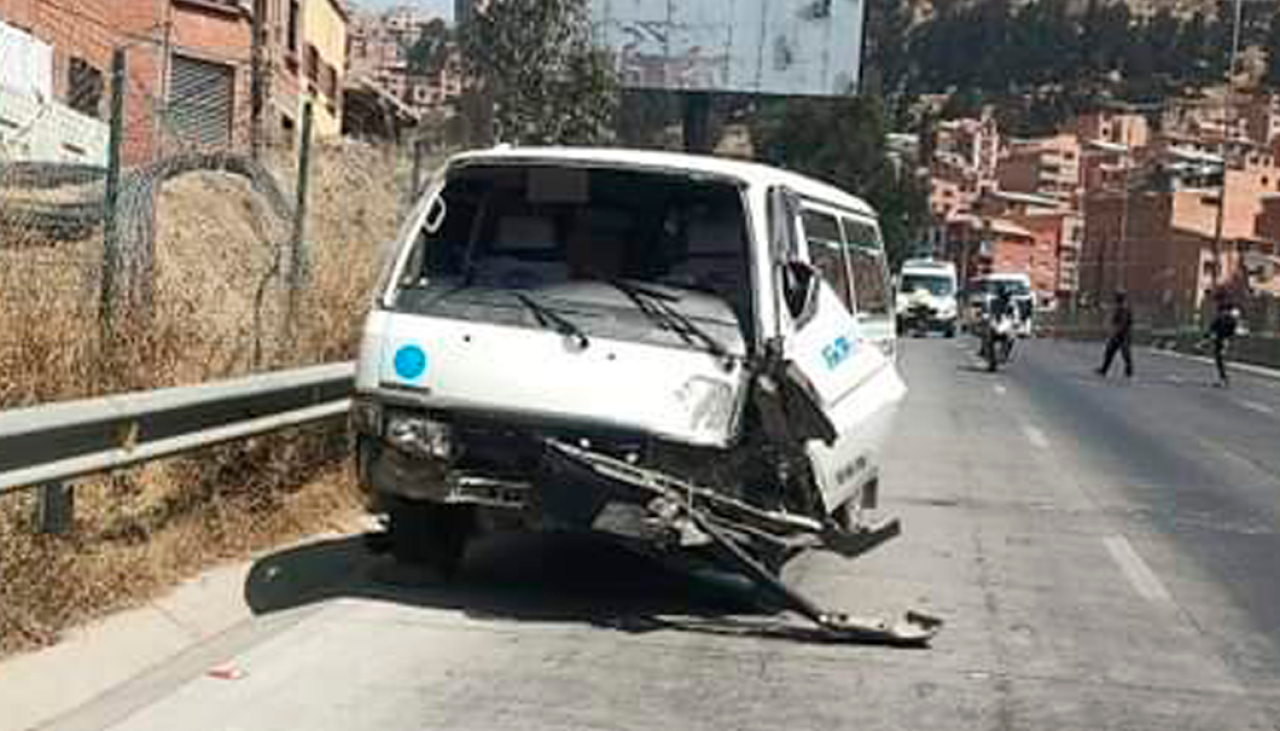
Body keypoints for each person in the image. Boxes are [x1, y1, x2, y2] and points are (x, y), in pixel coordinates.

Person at [1097, 290, 1133, 378]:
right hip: (1120, 334)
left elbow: (1123, 323)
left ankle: (1129, 370)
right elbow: (1116, 320)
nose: (1116, 299)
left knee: (1125, 353)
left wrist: (1117, 331)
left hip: (1123, 334)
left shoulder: (1124, 309)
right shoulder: (1120, 308)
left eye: (1118, 297)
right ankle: (1104, 369)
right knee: (1110, 352)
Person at [1206, 294, 1240, 388]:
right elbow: (1212, 328)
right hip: (1220, 341)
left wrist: (1226, 340)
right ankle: (1223, 379)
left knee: (1221, 361)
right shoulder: (1224, 319)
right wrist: (1207, 337)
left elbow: (1228, 331)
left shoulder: (1229, 319)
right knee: (1219, 361)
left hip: (1224, 341)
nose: (1221, 312)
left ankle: (1224, 380)